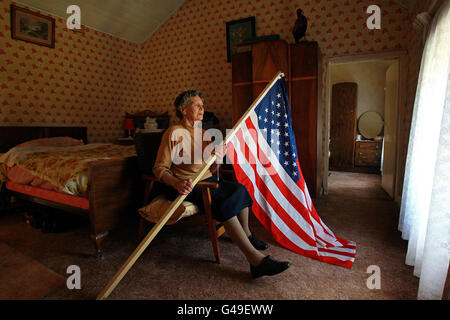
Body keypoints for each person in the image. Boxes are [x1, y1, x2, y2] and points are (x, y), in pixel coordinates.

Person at [152, 90, 291, 278]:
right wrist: (176, 183)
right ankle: (256, 260)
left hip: (210, 179)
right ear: (182, 109)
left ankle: (247, 235)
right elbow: (159, 168)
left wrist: (218, 157)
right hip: (191, 186)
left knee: (240, 189)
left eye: (203, 105)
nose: (202, 109)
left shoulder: (203, 133)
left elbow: (213, 167)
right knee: (223, 201)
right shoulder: (173, 133)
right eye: (197, 105)